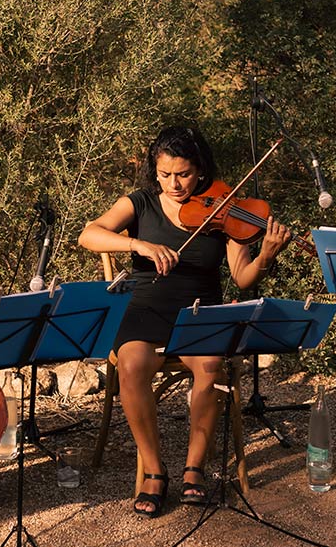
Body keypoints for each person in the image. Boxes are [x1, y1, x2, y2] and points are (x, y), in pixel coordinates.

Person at [79, 125, 292, 517]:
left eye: (183, 174)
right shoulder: (140, 203)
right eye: (165, 174)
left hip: (200, 310)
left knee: (211, 365)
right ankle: (154, 469)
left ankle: (195, 467)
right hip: (144, 308)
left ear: (201, 171)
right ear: (154, 171)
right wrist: (136, 243)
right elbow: (88, 234)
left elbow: (243, 277)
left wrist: (265, 256)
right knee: (131, 363)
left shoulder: (223, 208)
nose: (174, 184)